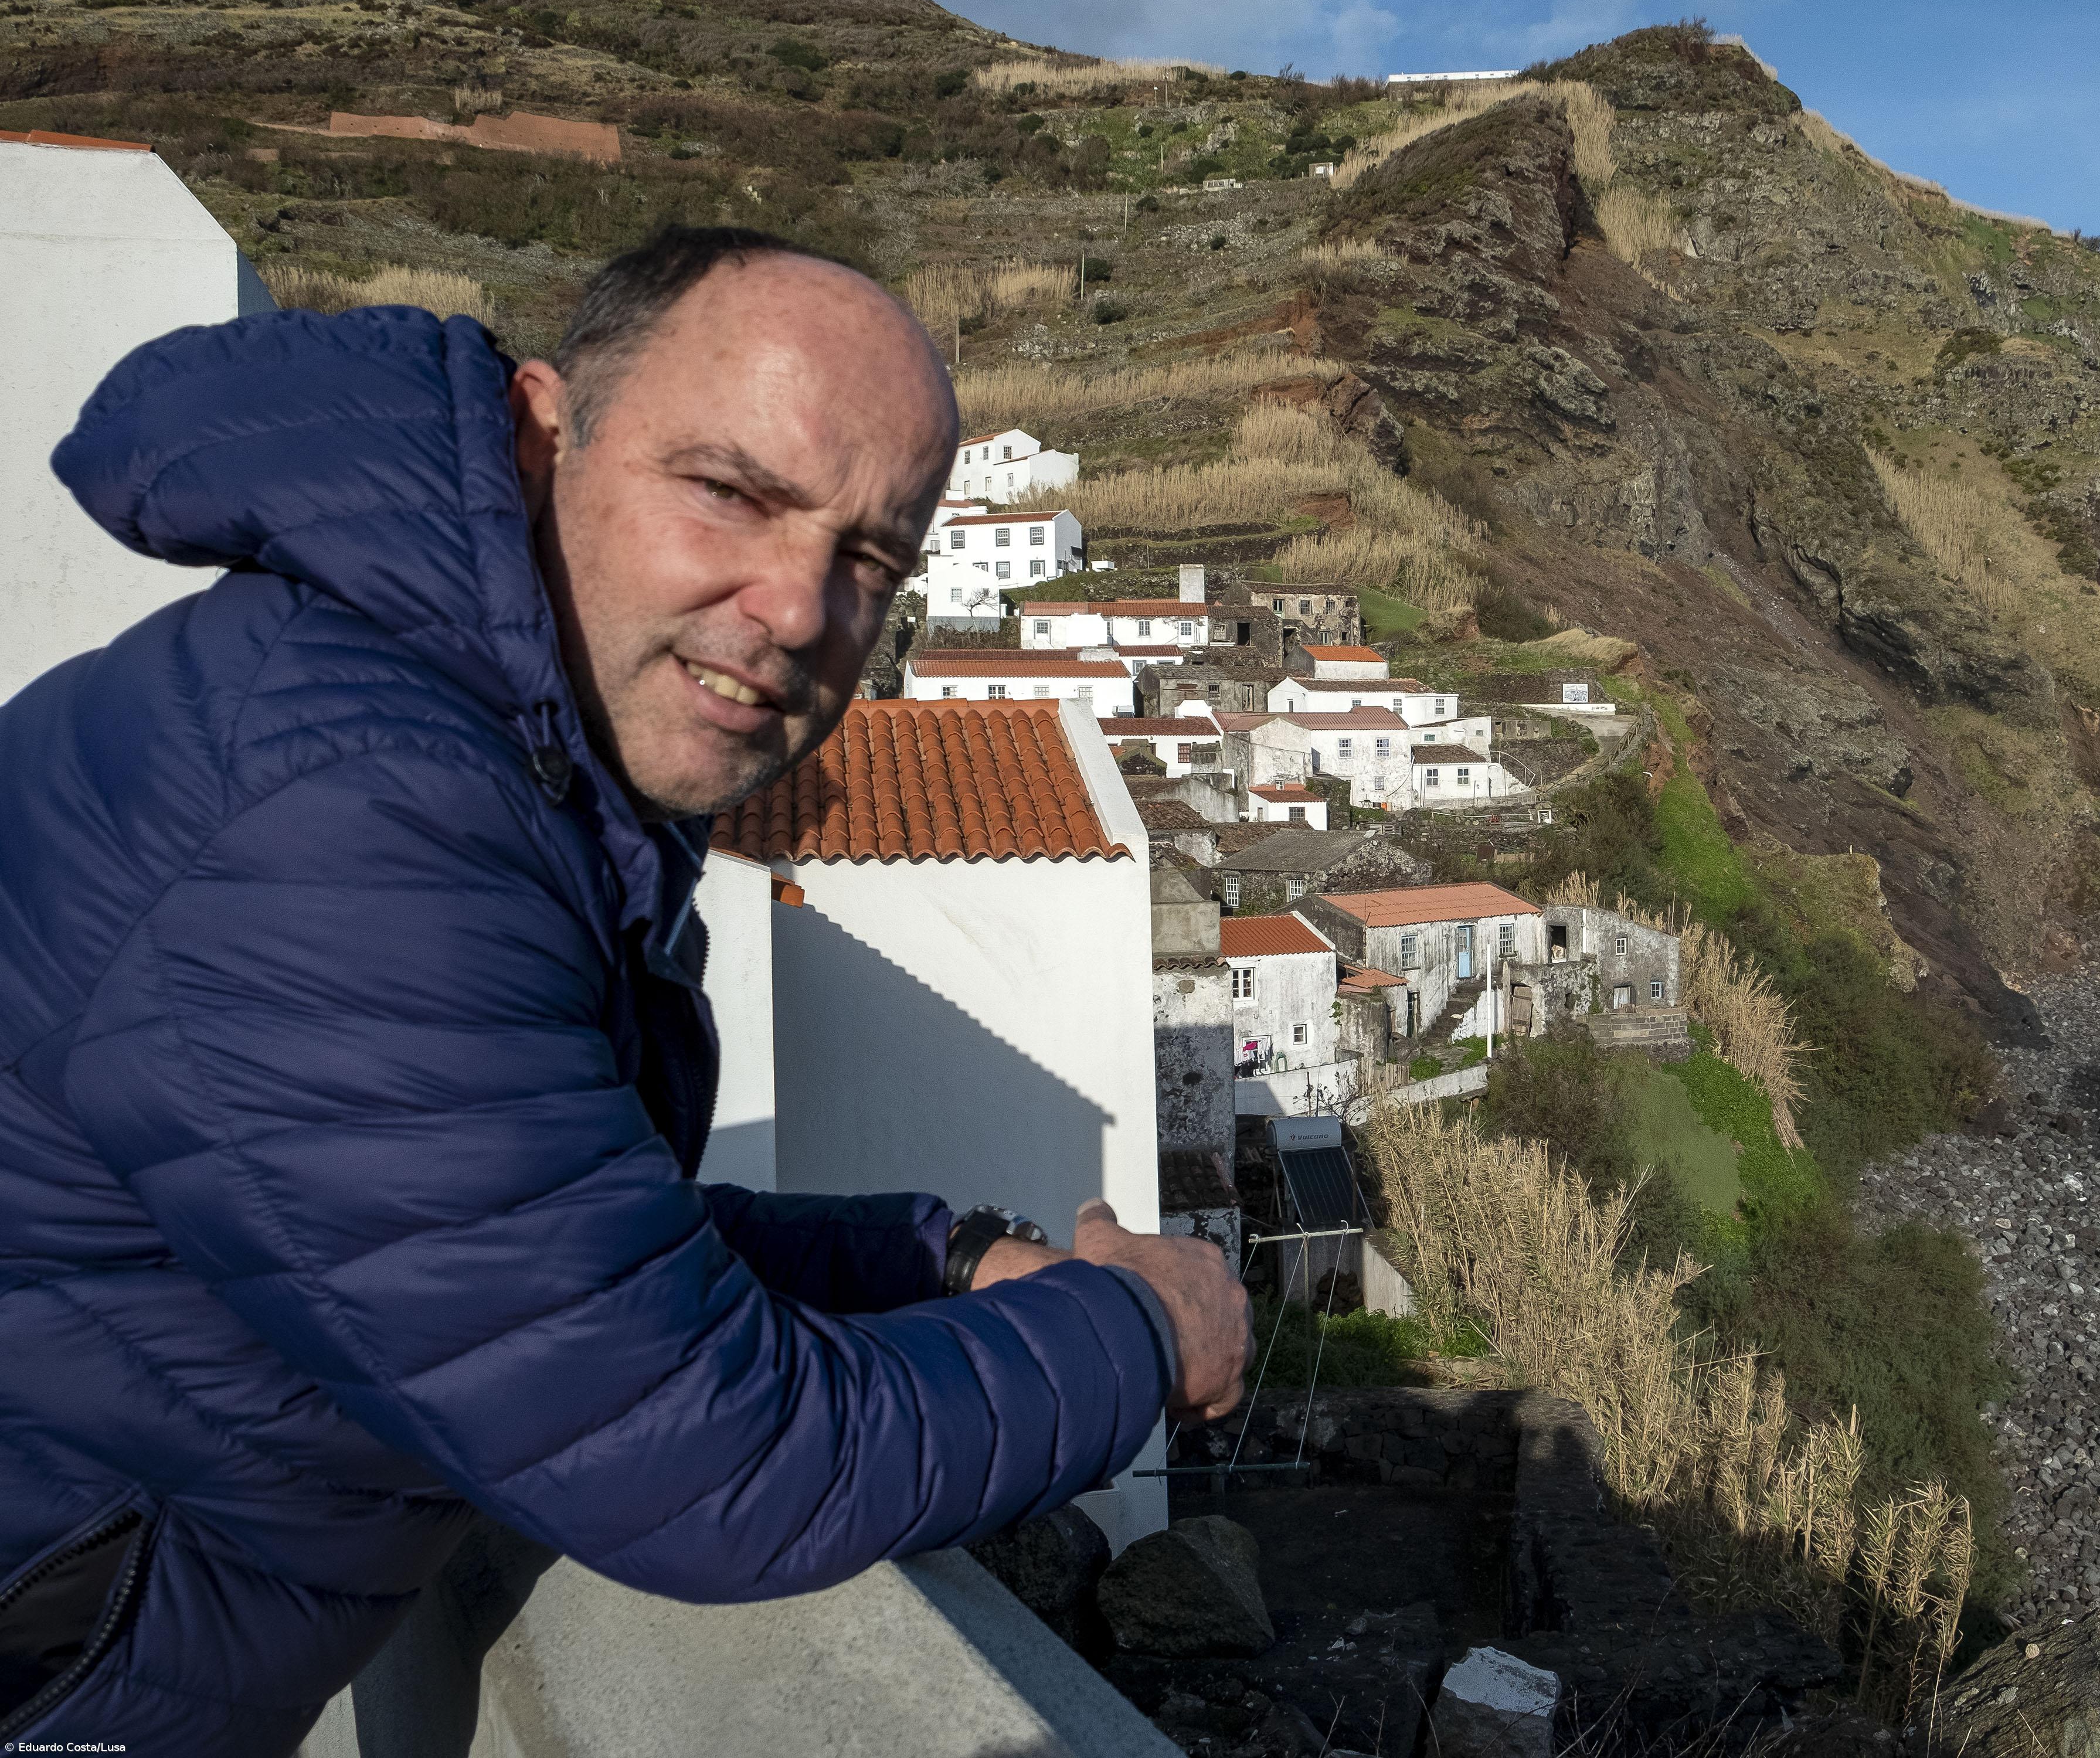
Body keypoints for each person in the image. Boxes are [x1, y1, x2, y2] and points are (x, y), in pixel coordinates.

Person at [0, 227, 1251, 1754]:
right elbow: (709, 1463)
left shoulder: (446, 738)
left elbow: (529, 1242)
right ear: (543, 430)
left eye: (868, 557)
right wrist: (1137, 1333)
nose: (801, 611)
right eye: (731, 490)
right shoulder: (350, 816)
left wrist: (948, 1261)